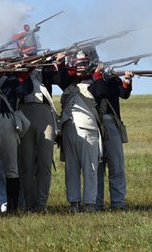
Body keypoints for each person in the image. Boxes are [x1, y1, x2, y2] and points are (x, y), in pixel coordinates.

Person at [55, 47, 103, 213]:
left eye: (83, 64)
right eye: (78, 64)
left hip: (88, 130)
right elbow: (60, 79)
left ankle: (90, 204)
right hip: (69, 129)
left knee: (90, 168)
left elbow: (100, 92)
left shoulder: (97, 82)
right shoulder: (69, 82)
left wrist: (97, 75)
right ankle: (73, 203)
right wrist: (60, 64)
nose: (80, 67)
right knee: (71, 169)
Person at [0, 70, 32, 214]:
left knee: (11, 169)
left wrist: (23, 74)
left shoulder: (9, 80)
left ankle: (13, 208)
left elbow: (25, 90)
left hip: (6, 123)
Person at [17, 65, 58, 213]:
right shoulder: (17, 69)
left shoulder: (44, 68)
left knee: (45, 164)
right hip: (24, 111)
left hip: (44, 112)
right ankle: (28, 204)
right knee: (26, 165)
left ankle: (41, 204)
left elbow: (59, 77)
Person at [92, 65, 133, 211]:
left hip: (111, 123)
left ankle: (118, 203)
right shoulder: (90, 79)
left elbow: (124, 93)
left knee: (116, 165)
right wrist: (97, 76)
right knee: (97, 166)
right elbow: (99, 91)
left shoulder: (111, 78)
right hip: (94, 124)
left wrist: (127, 80)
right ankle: (97, 203)